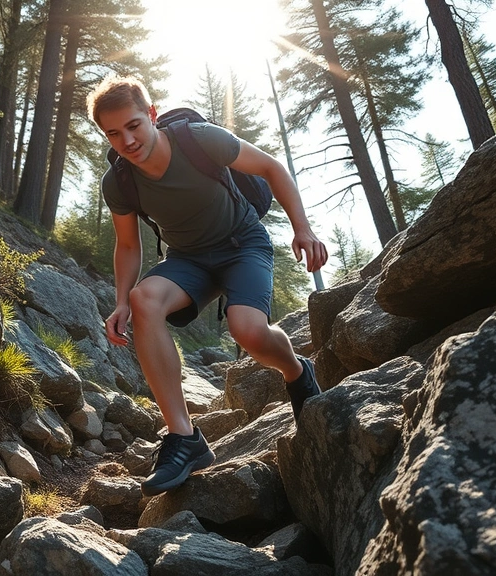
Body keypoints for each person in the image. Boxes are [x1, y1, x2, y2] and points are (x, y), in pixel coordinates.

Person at [87, 75, 328, 497]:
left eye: (133, 125)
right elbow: (127, 245)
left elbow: (271, 167)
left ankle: (296, 371)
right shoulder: (119, 183)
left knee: (248, 331)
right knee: (144, 300)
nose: (126, 140)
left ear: (152, 116)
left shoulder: (198, 139)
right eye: (113, 133)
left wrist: (302, 229)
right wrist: (121, 301)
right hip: (187, 261)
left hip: (243, 245)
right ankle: (184, 438)